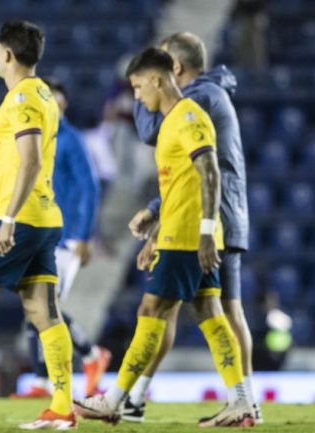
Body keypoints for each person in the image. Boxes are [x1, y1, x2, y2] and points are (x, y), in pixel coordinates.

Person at [73, 48, 255, 428]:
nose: (137, 96)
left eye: (139, 87)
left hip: (188, 236)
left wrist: (205, 234)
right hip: (179, 232)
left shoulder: (188, 116)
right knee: (210, 314)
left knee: (150, 311)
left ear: (157, 80)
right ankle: (241, 401)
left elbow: (210, 173)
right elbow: (181, 186)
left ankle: (115, 399)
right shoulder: (174, 120)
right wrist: (154, 232)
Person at [126, 32, 258, 423]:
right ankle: (243, 402)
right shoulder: (210, 93)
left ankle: (242, 402)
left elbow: (155, 136)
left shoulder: (195, 99)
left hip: (210, 216)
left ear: (173, 70)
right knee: (215, 309)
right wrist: (155, 211)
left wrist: (133, 88)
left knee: (205, 310)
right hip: (216, 212)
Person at [0, 21, 74, 430]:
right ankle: (62, 408)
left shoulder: (22, 97)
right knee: (42, 311)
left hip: (20, 218)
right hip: (43, 216)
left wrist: (5, 219)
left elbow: (30, 161)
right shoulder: (43, 93)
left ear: (6, 54)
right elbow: (12, 169)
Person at [17, 80, 109, 400]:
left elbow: (90, 187)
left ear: (64, 106)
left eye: (55, 101)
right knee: (37, 306)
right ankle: (90, 355)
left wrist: (84, 236)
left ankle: (50, 378)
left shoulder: (71, 140)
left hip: (66, 237)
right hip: (40, 233)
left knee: (42, 306)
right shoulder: (36, 140)